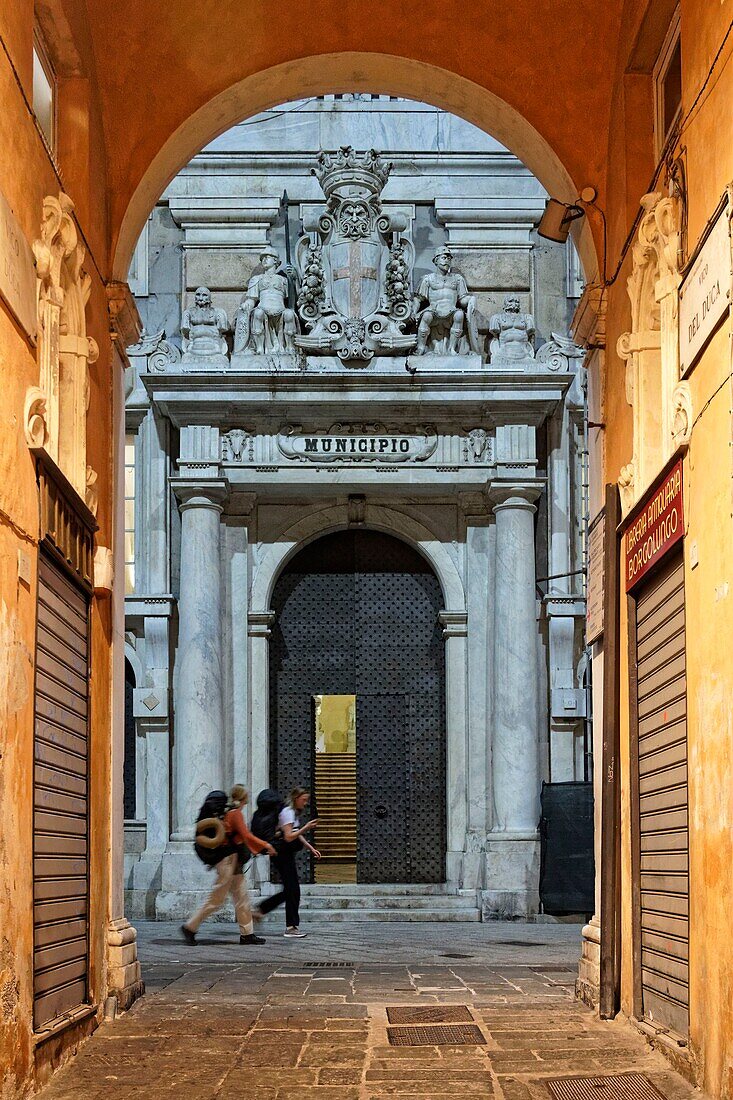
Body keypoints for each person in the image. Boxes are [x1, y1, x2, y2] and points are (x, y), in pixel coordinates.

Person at [181, 785, 276, 946]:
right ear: (244, 797)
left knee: (242, 897)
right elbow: (246, 835)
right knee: (217, 899)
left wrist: (256, 849)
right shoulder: (235, 813)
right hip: (228, 860)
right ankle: (190, 927)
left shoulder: (230, 813)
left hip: (234, 860)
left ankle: (247, 934)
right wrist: (266, 845)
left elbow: (240, 838)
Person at [253, 787, 320, 938]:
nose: (305, 802)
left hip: (284, 854)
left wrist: (311, 848)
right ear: (296, 798)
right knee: (293, 890)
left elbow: (293, 832)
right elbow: (290, 836)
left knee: (290, 890)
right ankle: (291, 927)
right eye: (303, 799)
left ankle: (261, 910)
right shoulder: (287, 812)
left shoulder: (290, 813)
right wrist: (306, 827)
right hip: (282, 854)